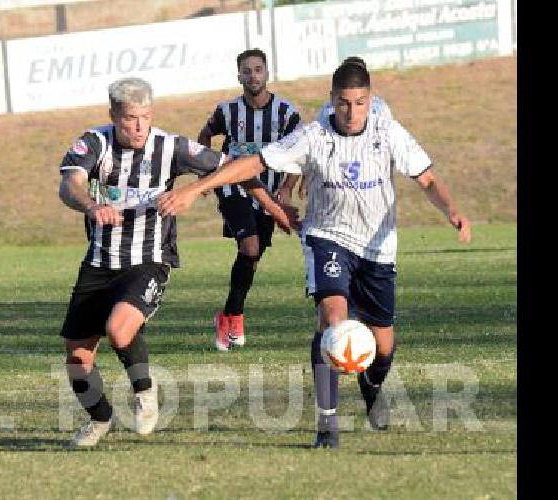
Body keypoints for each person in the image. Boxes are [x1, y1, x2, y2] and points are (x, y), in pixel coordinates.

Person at [158, 59, 472, 449]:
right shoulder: (313, 136)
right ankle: (328, 421)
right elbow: (253, 163)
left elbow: (427, 179)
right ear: (332, 100)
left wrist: (451, 210)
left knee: (384, 344)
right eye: (343, 103)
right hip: (327, 237)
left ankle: (372, 387)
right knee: (333, 318)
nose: (351, 112)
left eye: (359, 103)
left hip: (378, 249)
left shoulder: (388, 132)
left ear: (370, 101)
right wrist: (194, 188)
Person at [57, 77, 295, 448]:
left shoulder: (171, 147)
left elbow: (241, 167)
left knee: (120, 330)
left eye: (146, 117)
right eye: (130, 119)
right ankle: (100, 419)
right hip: (99, 262)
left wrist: (274, 209)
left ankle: (144, 391)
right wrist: (91, 205)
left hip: (148, 260)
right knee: (77, 358)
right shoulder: (94, 143)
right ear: (113, 116)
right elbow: (68, 184)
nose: (139, 127)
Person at [197, 48, 302, 351]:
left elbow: (302, 151)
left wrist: (286, 189)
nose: (253, 75)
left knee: (252, 258)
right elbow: (204, 136)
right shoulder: (227, 111)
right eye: (247, 70)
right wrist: (208, 172)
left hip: (267, 194)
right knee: (250, 245)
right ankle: (236, 316)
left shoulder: (286, 112)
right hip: (233, 189)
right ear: (239, 75)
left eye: (258, 69)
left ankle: (230, 314)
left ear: (267, 73)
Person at [280, 56, 394, 203]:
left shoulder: (380, 107)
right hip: (338, 172)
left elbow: (388, 143)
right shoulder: (328, 108)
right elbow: (316, 145)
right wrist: (306, 178)